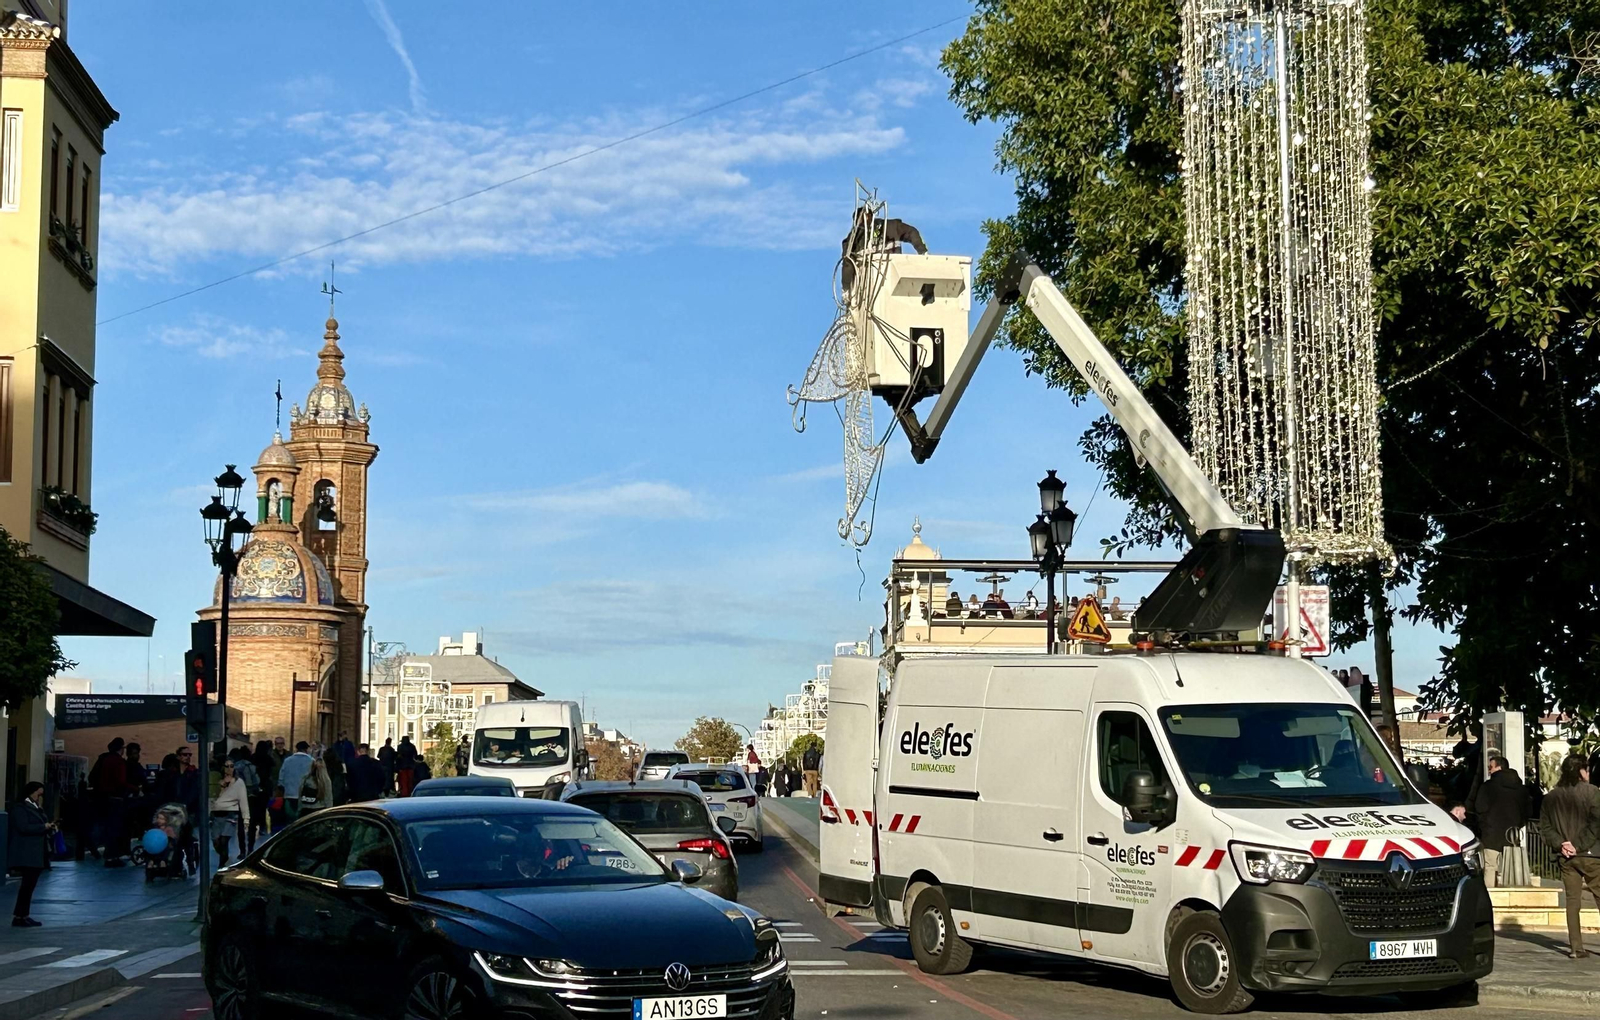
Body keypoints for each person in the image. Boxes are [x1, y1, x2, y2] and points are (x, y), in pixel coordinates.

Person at [1539, 757, 1600, 958]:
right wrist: (1578, 845)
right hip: (1590, 854)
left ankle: (1576, 947)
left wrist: (1561, 844)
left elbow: (1545, 828)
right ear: (1581, 771)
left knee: (1572, 901)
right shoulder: (1592, 792)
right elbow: (1596, 823)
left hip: (1565, 856)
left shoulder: (1551, 797)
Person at [1472, 754, 1527, 888]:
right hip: (1512, 835)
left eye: (1490, 767)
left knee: (1490, 867)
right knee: (1511, 869)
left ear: (1499, 768)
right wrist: (1518, 825)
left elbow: (1479, 808)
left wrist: (1484, 825)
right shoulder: (1520, 788)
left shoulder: (1488, 787)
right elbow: (1527, 811)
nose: (1489, 770)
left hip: (1491, 834)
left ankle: (1490, 898)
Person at [9, 782, 53, 927]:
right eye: (37, 794)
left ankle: (23, 914)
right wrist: (43, 826)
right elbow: (24, 827)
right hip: (27, 852)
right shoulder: (20, 808)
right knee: (27, 886)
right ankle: (20, 915)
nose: (38, 797)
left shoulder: (36, 808)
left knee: (29, 886)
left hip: (36, 851)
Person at [88, 738, 135, 866]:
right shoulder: (118, 761)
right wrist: (135, 788)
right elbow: (121, 781)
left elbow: (92, 777)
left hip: (101, 797)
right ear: (121, 749)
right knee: (115, 827)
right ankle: (112, 856)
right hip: (116, 798)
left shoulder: (103, 758)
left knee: (105, 826)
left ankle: (99, 849)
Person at [211, 760, 250, 866]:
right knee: (216, 841)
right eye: (227, 766)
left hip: (231, 813)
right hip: (217, 813)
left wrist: (246, 819)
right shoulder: (217, 781)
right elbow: (212, 797)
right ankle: (225, 859)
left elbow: (243, 801)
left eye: (231, 766)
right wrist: (222, 787)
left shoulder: (239, 782)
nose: (229, 768)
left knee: (224, 841)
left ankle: (222, 867)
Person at [277, 742, 316, 823]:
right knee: (304, 820)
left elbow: (281, 778)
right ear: (306, 749)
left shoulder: (287, 761)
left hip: (289, 795)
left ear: (296, 749)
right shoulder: (312, 761)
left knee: (290, 820)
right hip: (306, 795)